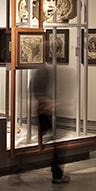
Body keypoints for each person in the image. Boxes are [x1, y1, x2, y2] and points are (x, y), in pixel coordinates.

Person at [31, 55, 68, 183]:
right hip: (44, 110)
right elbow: (37, 90)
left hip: (43, 109)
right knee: (56, 145)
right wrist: (47, 103)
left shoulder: (41, 70)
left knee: (51, 142)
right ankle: (57, 174)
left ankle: (18, 170)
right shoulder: (44, 71)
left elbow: (33, 88)